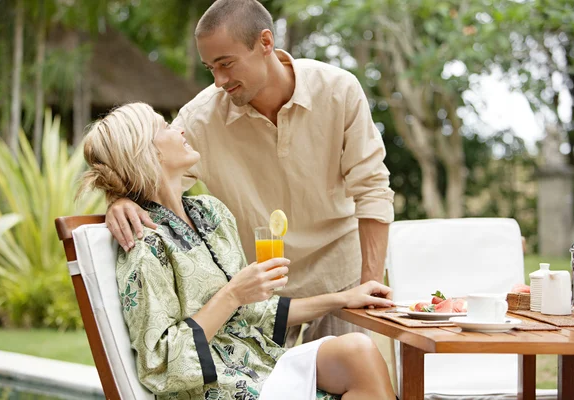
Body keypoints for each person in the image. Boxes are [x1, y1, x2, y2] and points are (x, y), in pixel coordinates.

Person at [106, 0, 395, 344]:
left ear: (266, 42)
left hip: (341, 276)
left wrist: (369, 287)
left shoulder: (338, 90)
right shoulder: (199, 119)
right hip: (263, 295)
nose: (219, 80)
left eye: (226, 64)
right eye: (210, 67)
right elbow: (150, 170)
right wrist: (119, 199)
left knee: (359, 379)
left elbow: (373, 189)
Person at [78, 102, 396, 400]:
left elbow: (253, 312)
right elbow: (161, 363)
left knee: (359, 351)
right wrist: (232, 294)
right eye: (165, 127)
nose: (180, 130)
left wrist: (343, 298)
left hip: (262, 364)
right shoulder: (144, 247)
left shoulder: (210, 212)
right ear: (148, 153)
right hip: (218, 386)